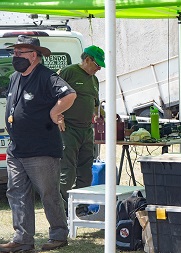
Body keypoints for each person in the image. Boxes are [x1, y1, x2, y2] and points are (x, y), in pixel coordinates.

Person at [0, 35, 76, 252]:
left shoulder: (46, 77)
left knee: (48, 193)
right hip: (17, 148)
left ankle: (59, 235)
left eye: (19, 53)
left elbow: (70, 94)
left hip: (41, 150)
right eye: (14, 52)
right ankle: (23, 239)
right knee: (16, 193)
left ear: (34, 55)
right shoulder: (16, 77)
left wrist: (55, 111)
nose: (15, 56)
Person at [58, 45, 105, 215]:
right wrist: (59, 116)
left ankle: (81, 207)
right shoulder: (69, 72)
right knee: (67, 172)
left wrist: (103, 116)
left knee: (86, 172)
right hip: (68, 130)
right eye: (97, 64)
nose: (99, 68)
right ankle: (62, 210)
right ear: (87, 60)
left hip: (87, 130)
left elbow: (95, 104)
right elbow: (53, 95)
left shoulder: (94, 80)